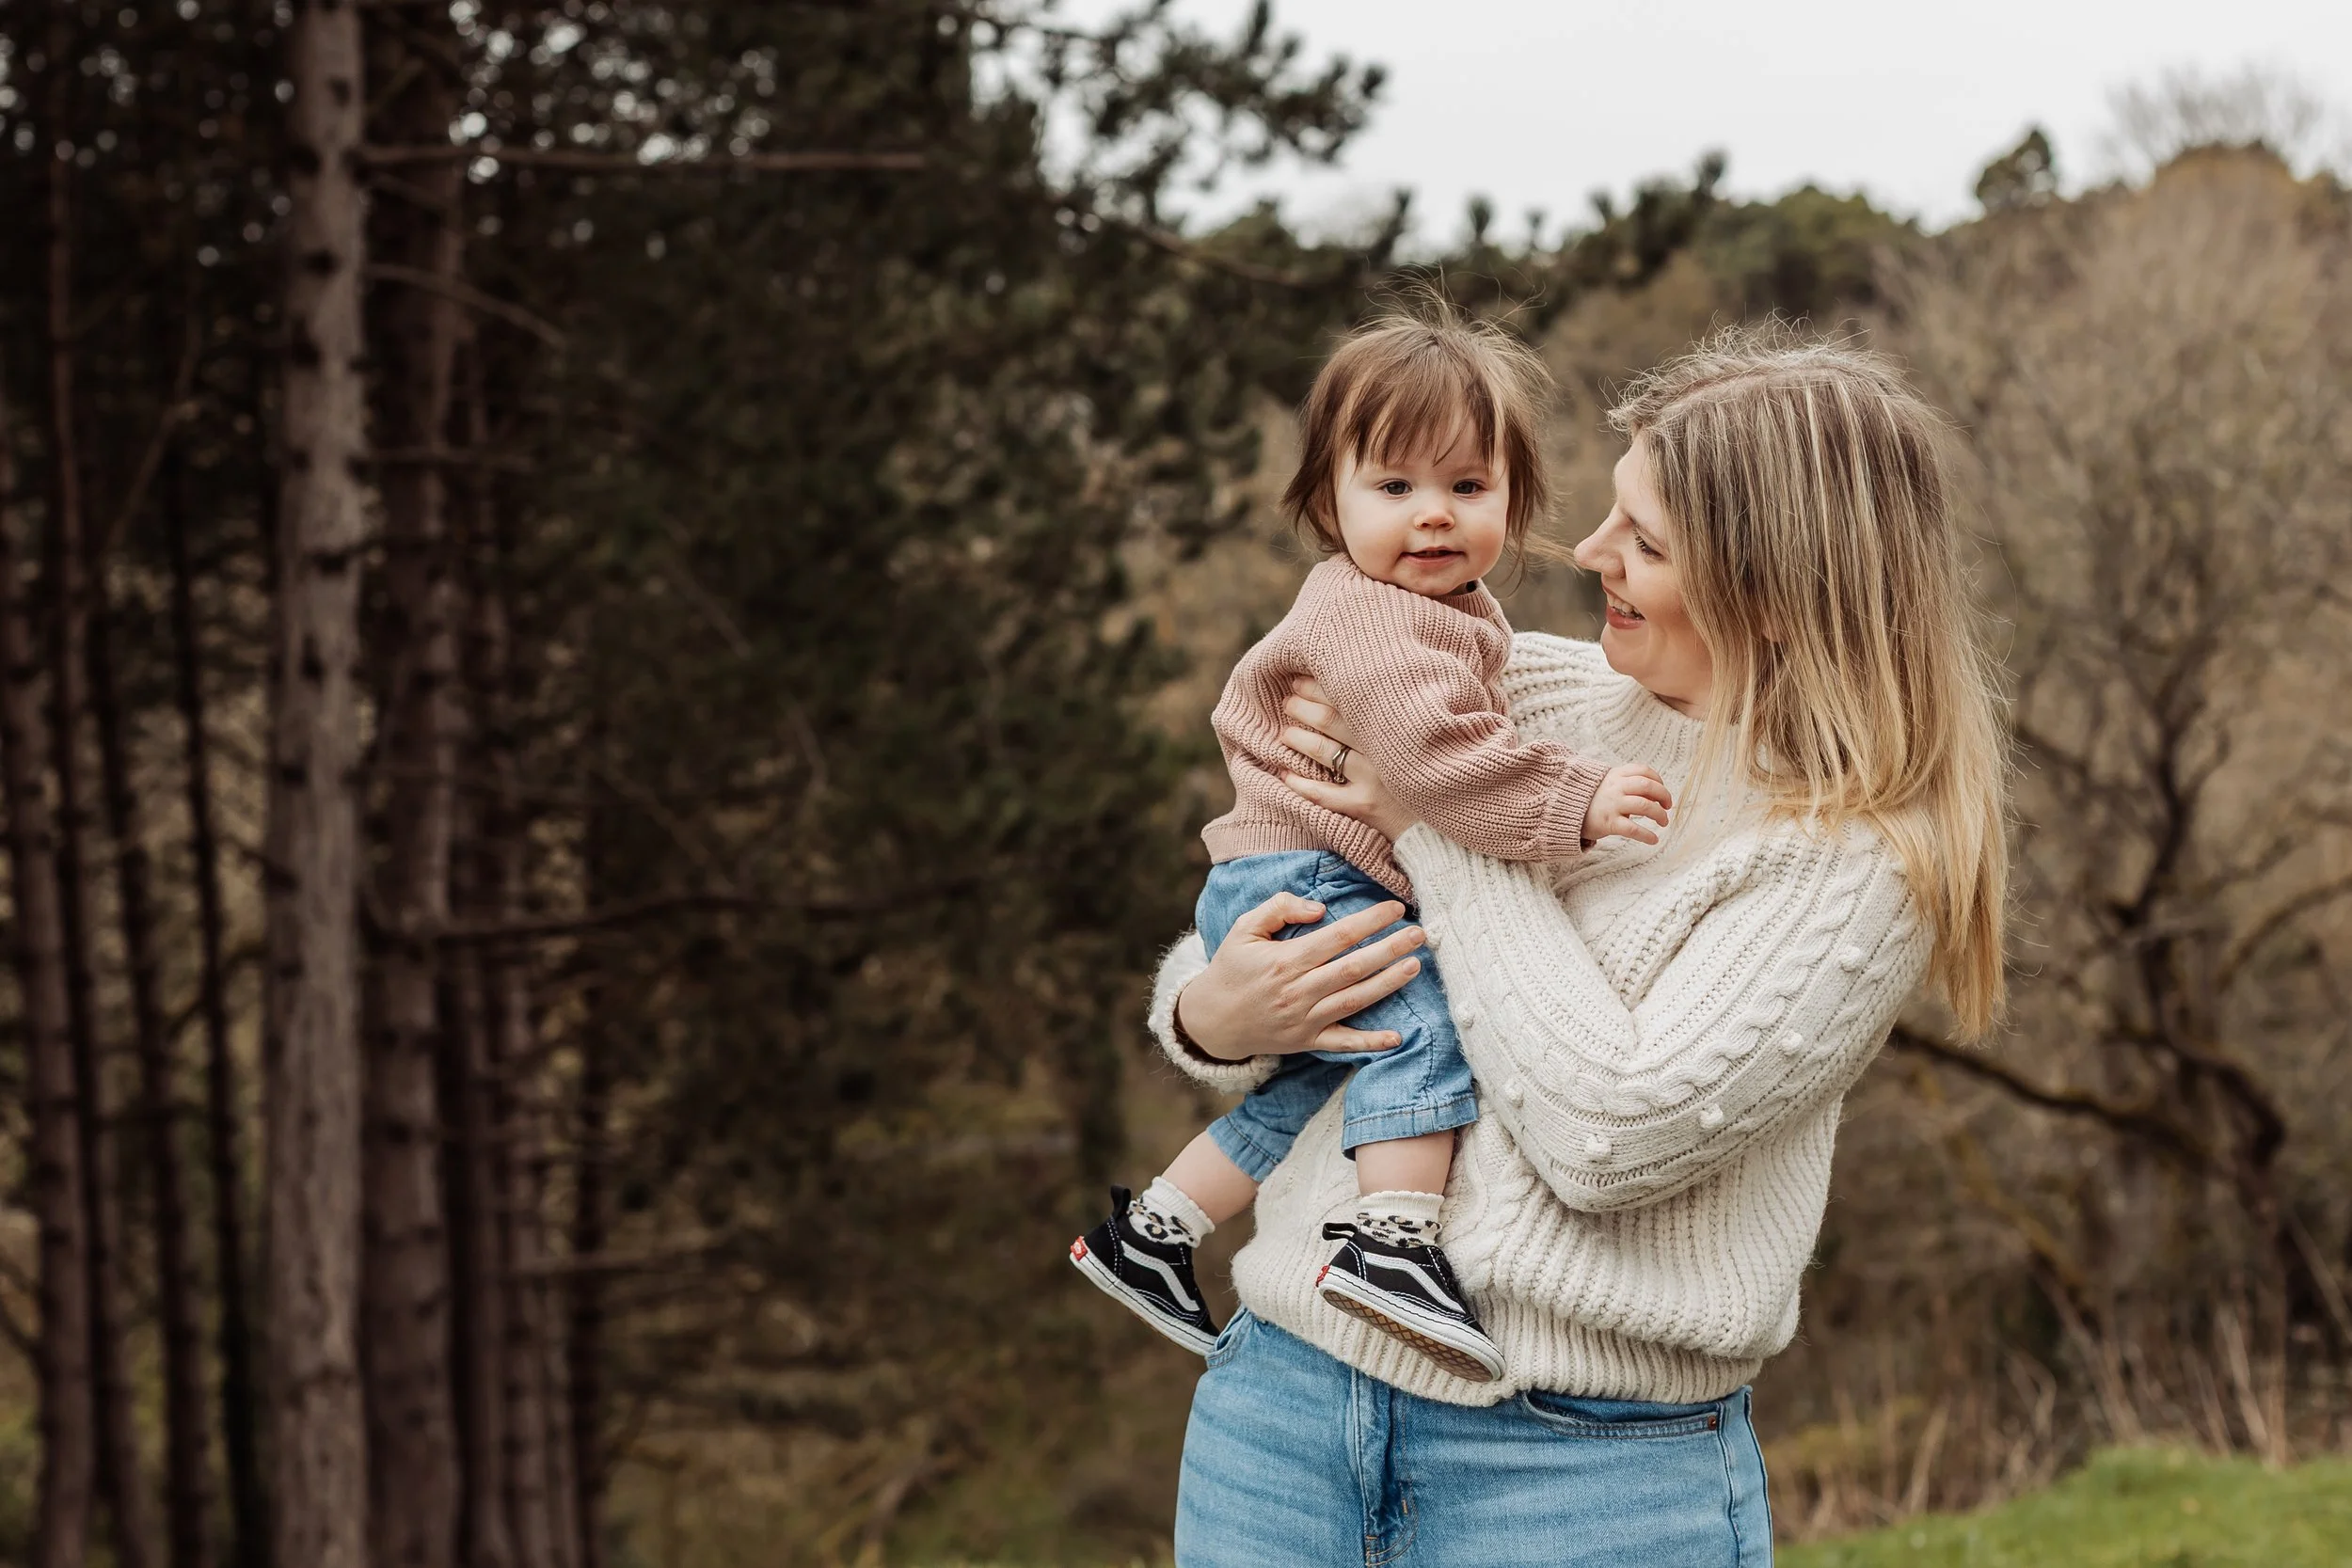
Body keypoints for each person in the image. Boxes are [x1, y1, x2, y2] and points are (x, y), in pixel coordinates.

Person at [1153, 326, 2009, 1565]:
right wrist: (1209, 1016)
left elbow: (1607, 1130)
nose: (1588, 550)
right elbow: (1284, 884)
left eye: (1645, 541)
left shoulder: (1856, 858)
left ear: (1775, 593)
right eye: (1611, 513)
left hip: (1577, 1474)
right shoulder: (1508, 694)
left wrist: (1434, 826)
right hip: (1283, 1411)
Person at [1070, 308, 1673, 1383]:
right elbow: (1442, 763)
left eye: (1467, 485)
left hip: (1292, 869)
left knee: (1317, 1079)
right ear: (1327, 503)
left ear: (1512, 499)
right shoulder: (1375, 618)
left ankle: (1155, 1229)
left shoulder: (1438, 610)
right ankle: (1389, 1240)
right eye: (1394, 486)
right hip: (1310, 872)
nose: (1433, 514)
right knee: (1416, 1029)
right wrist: (1575, 797)